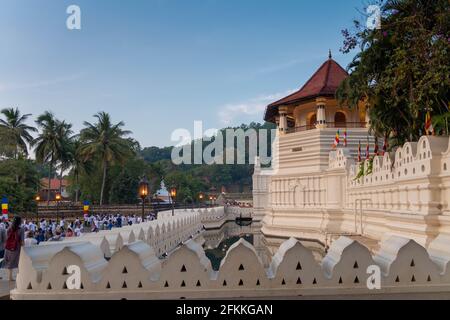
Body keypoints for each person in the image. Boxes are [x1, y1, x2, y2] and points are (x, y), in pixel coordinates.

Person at [3, 216, 24, 281]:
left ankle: (10, 276)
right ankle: (20, 275)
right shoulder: (21, 229)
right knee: (19, 261)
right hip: (16, 247)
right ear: (19, 222)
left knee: (10, 261)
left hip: (8, 247)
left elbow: (7, 237)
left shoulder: (9, 228)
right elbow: (22, 240)